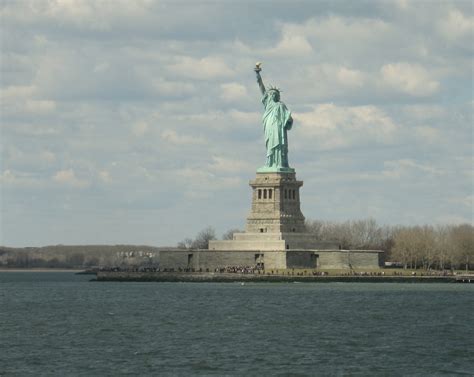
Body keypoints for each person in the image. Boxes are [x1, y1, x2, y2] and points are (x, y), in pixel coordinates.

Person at [255, 64, 293, 169]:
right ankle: (270, 162)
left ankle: (280, 163)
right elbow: (261, 88)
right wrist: (258, 76)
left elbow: (288, 117)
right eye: (272, 94)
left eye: (275, 94)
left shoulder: (281, 105)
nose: (273, 95)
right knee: (270, 144)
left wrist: (288, 120)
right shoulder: (268, 103)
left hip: (278, 127)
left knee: (280, 144)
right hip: (269, 126)